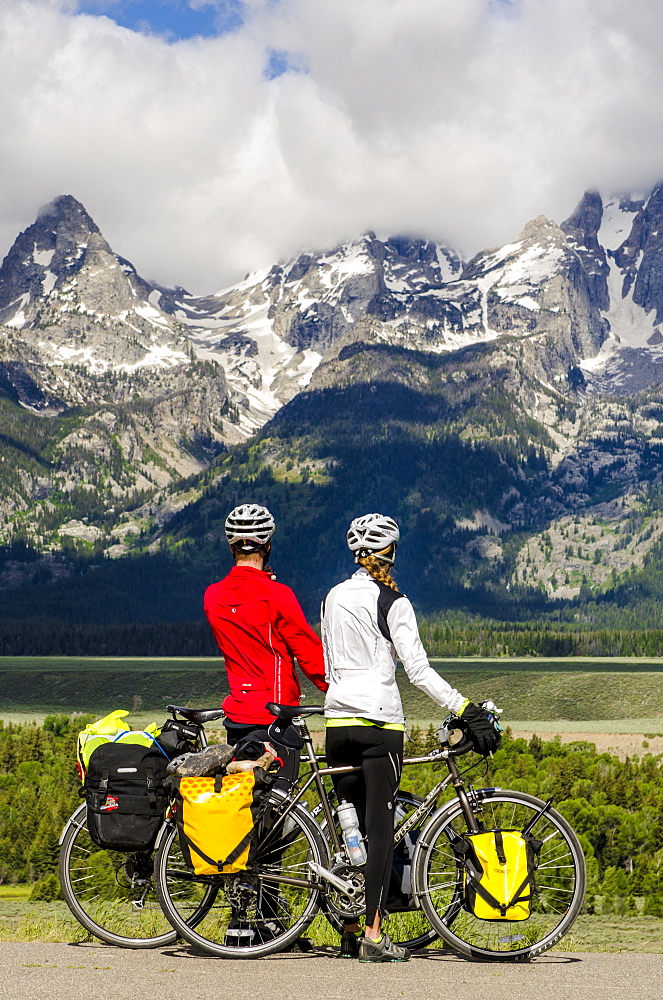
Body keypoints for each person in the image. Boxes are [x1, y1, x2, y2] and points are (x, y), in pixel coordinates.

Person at [321, 512, 501, 963]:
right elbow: (417, 671)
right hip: (379, 723)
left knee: (350, 831)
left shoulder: (332, 596)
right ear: (392, 553)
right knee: (380, 831)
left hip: (337, 720)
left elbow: (327, 667)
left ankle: (346, 928)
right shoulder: (394, 601)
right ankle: (373, 935)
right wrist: (464, 708)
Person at [204, 502, 328, 787]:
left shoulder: (212, 597)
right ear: (268, 545)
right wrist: (339, 692)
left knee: (244, 808)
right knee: (280, 811)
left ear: (231, 547)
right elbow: (309, 655)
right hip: (275, 716)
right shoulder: (276, 594)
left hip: (236, 717)